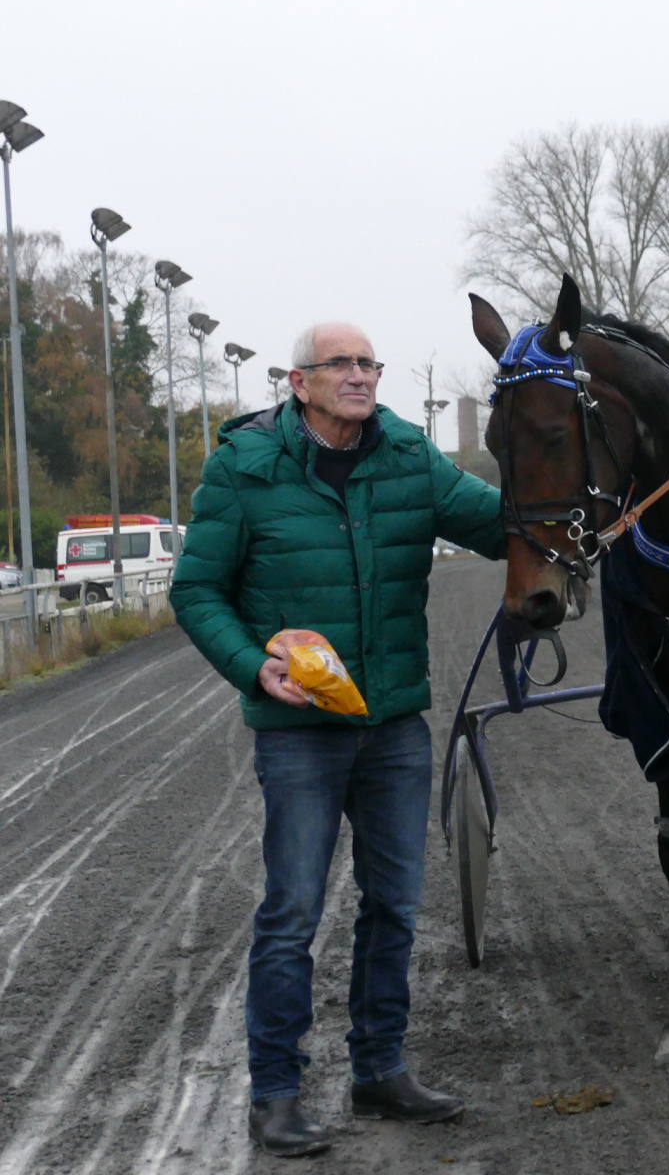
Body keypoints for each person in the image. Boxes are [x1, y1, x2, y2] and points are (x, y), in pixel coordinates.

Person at [172, 322, 506, 1157]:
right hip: (299, 735)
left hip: (392, 728)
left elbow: (500, 525)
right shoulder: (244, 470)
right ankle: (275, 1094)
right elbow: (197, 589)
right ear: (299, 382)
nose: (360, 375)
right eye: (341, 364)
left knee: (394, 906)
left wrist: (578, 488)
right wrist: (254, 667)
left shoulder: (407, 456)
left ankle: (379, 1070)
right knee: (293, 911)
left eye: (368, 363)